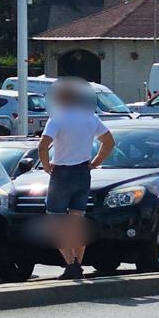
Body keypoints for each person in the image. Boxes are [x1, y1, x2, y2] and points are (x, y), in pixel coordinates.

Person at [38, 78, 115, 280]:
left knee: (55, 222)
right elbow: (109, 142)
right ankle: (77, 265)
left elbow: (43, 146)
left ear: (60, 98)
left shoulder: (57, 119)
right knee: (76, 223)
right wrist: (95, 162)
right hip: (83, 172)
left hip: (62, 173)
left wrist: (47, 167)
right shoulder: (90, 117)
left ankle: (71, 263)